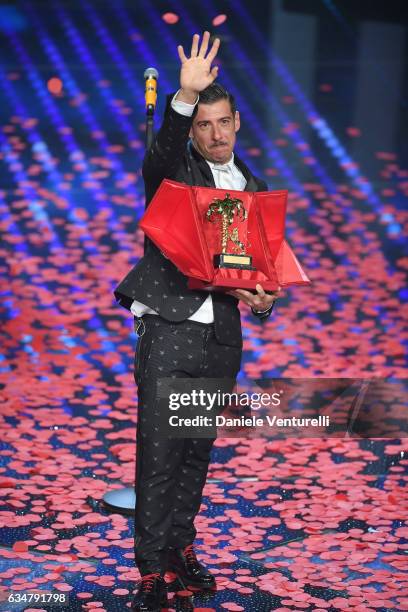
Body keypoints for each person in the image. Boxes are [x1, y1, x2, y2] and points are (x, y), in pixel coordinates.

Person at [114, 31, 279, 612]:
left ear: (237, 122)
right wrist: (182, 98)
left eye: (222, 122)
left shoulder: (252, 187)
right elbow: (156, 157)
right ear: (193, 128)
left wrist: (264, 301)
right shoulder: (175, 173)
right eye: (203, 124)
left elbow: (257, 271)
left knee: (195, 451)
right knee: (158, 455)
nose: (215, 134)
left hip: (220, 338)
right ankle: (150, 566)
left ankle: (179, 550)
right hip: (170, 329)